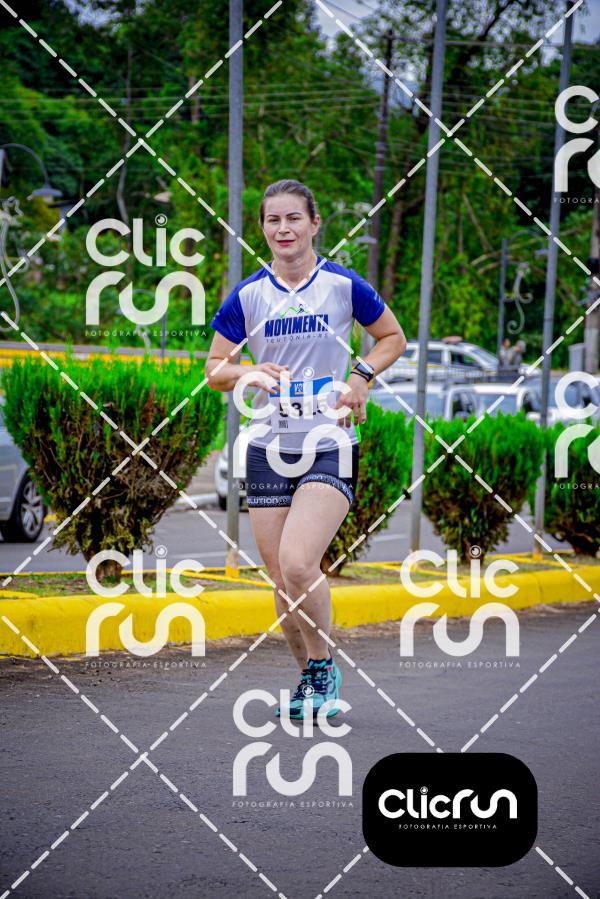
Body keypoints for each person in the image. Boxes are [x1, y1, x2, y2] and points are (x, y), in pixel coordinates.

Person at [206, 179, 406, 719]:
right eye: (273, 220)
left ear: (315, 224)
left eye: (294, 218)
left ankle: (322, 667)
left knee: (298, 563)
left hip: (328, 442)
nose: (283, 229)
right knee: (281, 579)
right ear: (262, 229)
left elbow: (393, 338)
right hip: (268, 446)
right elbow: (215, 370)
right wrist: (248, 371)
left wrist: (361, 375)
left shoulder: (342, 285)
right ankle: (310, 683)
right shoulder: (249, 296)